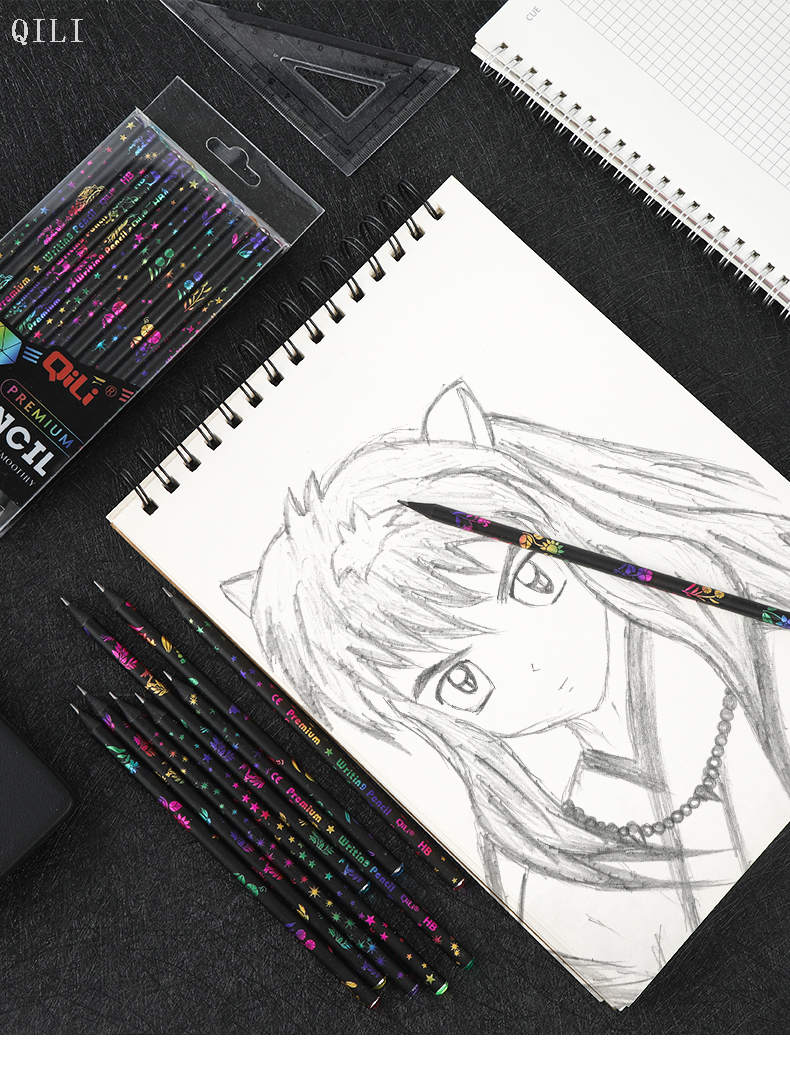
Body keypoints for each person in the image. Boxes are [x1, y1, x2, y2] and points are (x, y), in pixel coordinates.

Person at [221, 379, 790, 1005]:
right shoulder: (545, 867)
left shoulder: (754, 647)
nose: (536, 664)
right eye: (461, 681)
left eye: (531, 581)